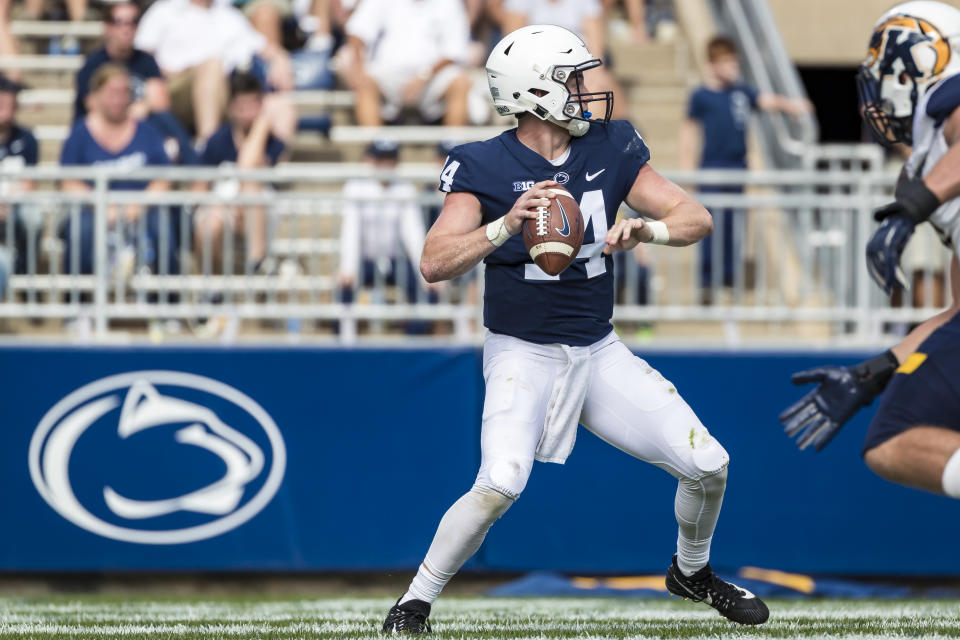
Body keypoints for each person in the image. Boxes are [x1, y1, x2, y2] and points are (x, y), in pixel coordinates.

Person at [381, 24, 769, 634]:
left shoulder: (611, 146)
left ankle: (691, 572)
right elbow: (434, 263)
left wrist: (649, 231)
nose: (589, 89)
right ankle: (414, 602)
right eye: (575, 79)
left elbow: (695, 215)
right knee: (500, 482)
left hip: (598, 349)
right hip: (522, 350)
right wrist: (505, 225)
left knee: (709, 465)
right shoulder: (482, 162)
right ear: (535, 90)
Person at [779, 1, 960, 499]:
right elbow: (956, 316)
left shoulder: (952, 109)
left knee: (898, 435)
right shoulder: (930, 161)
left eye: (885, 73)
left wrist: (911, 209)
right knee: (893, 439)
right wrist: (871, 373)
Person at [678, 36, 810, 295]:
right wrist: (688, 170)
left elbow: (766, 100)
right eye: (726, 63)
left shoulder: (740, 92)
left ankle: (729, 276)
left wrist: (792, 106)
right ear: (712, 64)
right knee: (709, 224)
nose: (732, 69)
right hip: (712, 168)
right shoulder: (701, 96)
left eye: (734, 63)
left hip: (737, 167)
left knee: (734, 224)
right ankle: (707, 280)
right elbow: (689, 132)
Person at [60, 64, 176, 277]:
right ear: (95, 96)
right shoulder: (79, 134)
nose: (119, 99)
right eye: (112, 92)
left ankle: (168, 303)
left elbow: (163, 176)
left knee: (162, 228)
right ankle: (77, 303)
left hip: (141, 209)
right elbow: (68, 181)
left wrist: (137, 206)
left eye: (124, 92)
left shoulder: (147, 131)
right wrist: (103, 205)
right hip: (94, 209)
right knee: (80, 230)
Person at [135, 0, 296, 142]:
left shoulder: (228, 14)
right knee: (212, 67)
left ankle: (271, 172)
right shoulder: (164, 10)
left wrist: (280, 58)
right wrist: (169, 73)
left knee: (280, 107)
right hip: (174, 88)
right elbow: (140, 57)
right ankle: (208, 146)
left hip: (226, 89)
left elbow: (263, 47)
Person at [74, 1, 198, 166]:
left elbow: (160, 102)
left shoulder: (146, 61)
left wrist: (143, 108)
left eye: (133, 22)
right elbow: (92, 105)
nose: (127, 28)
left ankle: (197, 173)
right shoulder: (93, 64)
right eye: (119, 22)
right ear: (107, 27)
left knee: (163, 120)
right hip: (103, 128)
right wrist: (130, 110)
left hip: (140, 127)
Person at [337, 140, 440, 337]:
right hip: (364, 260)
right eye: (381, 160)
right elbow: (350, 230)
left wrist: (424, 271)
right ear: (371, 161)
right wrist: (347, 268)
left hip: (395, 261)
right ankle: (345, 341)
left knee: (428, 290)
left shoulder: (405, 189)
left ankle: (414, 342)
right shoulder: (355, 187)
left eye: (390, 160)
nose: (386, 165)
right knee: (344, 289)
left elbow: (413, 232)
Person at [193, 71, 289, 274]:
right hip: (223, 209)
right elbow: (199, 188)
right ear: (231, 108)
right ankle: (213, 287)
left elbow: (247, 166)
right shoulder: (217, 141)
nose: (247, 113)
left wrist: (262, 126)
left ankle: (257, 263)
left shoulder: (272, 142)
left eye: (253, 105)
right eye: (241, 106)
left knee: (252, 187)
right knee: (210, 223)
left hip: (259, 214)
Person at [342, 0, 472, 126]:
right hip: (387, 74)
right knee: (365, 82)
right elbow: (357, 31)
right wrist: (358, 68)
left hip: (433, 76)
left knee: (460, 82)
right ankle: (374, 143)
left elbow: (454, 50)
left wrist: (423, 76)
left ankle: (454, 142)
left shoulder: (449, 3)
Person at [502, 0, 627, 119]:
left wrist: (595, 72)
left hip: (579, 66)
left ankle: (614, 129)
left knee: (599, 84)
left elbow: (596, 44)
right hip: (538, 70)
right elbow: (515, 45)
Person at [0, 74, 38, 287]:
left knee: (33, 217)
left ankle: (27, 275)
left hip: (15, 204)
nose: (7, 108)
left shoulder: (27, 138)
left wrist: (8, 202)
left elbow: (30, 182)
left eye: (11, 103)